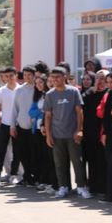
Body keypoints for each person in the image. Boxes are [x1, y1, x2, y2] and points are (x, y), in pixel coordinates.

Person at [43, 67, 91, 199]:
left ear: (65, 77)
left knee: (77, 162)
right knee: (59, 163)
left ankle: (81, 187)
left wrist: (79, 130)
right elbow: (48, 116)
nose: (55, 80)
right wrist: (48, 134)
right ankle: (63, 186)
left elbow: (79, 112)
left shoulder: (73, 91)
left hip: (72, 134)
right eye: (52, 78)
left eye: (57, 77)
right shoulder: (50, 94)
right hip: (57, 134)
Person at [0, 66, 20, 186]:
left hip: (18, 125)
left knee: (17, 152)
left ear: (16, 75)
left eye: (11, 76)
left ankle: (13, 175)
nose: (9, 78)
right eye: (6, 76)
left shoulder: (21, 89)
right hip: (5, 125)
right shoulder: (0, 91)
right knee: (0, 151)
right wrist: (0, 123)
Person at [81, 70, 108, 195]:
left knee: (102, 162)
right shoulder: (89, 93)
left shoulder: (108, 94)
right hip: (89, 133)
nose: (100, 80)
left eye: (103, 78)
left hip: (102, 133)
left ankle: (103, 187)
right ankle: (93, 186)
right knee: (91, 162)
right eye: (98, 77)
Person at [10, 65, 38, 186]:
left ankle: (35, 176)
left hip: (34, 128)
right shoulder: (19, 90)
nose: (27, 77)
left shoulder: (38, 89)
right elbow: (14, 109)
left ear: (34, 75)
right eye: (25, 75)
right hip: (21, 127)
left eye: (29, 75)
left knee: (34, 153)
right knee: (22, 153)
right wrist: (12, 126)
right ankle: (26, 176)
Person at [29, 73, 57, 194]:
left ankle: (52, 182)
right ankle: (44, 180)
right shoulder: (38, 96)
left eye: (41, 82)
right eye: (36, 83)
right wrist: (41, 112)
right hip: (37, 129)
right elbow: (31, 112)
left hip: (48, 129)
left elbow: (49, 111)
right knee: (40, 157)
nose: (38, 85)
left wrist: (41, 112)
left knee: (49, 157)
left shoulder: (49, 95)